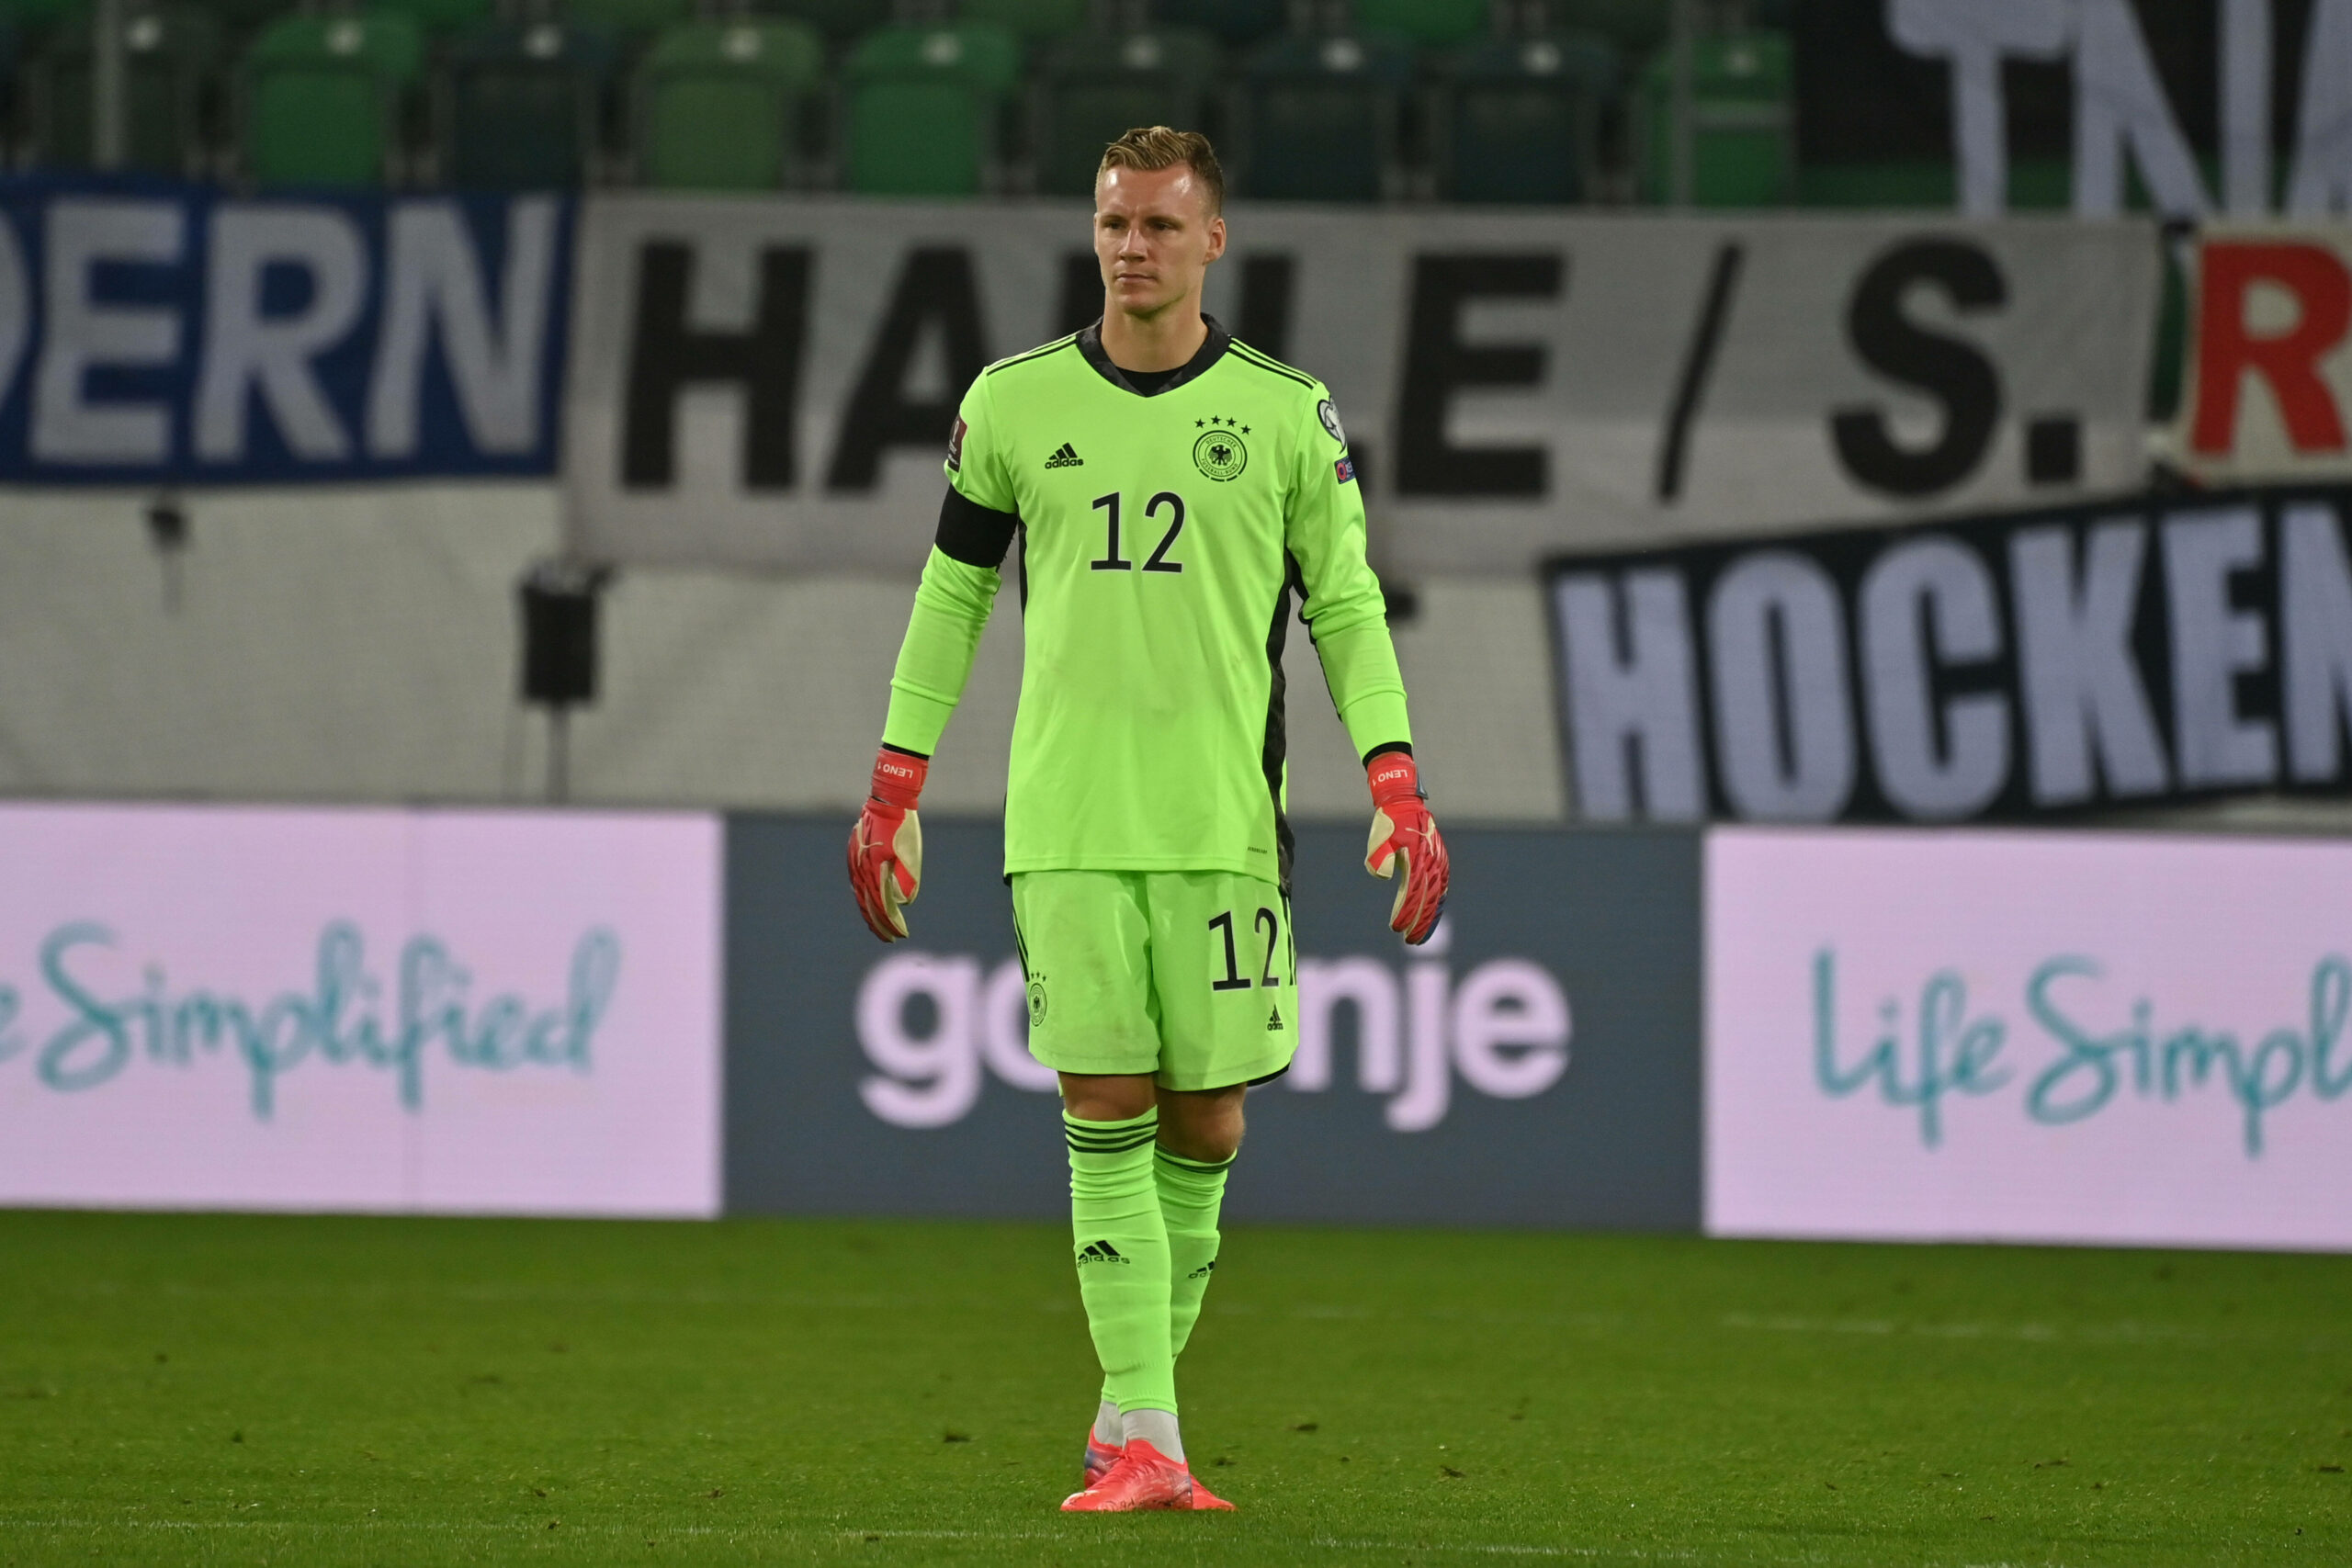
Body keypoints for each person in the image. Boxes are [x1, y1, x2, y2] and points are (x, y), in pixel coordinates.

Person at [846, 126, 1449, 1514]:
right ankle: (1154, 1445)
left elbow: (1347, 608)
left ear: (1213, 242)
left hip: (1225, 820)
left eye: (1162, 227)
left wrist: (1395, 776)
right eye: (1116, 223)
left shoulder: (1290, 416)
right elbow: (952, 598)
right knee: (1105, 1102)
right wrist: (896, 781)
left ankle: (1129, 1415)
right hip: (1065, 816)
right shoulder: (1011, 404)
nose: (1134, 247)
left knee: (1212, 1128)